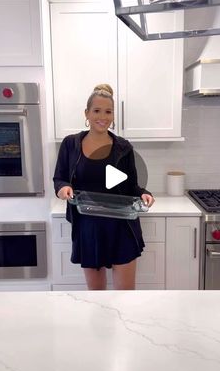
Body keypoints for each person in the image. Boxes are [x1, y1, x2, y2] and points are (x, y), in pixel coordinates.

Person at [53, 84, 155, 290]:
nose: (103, 116)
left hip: (121, 226)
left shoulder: (123, 147)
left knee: (125, 296)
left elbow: (131, 186)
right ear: (87, 113)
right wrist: (63, 188)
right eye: (97, 111)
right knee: (97, 296)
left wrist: (145, 194)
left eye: (108, 111)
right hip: (88, 226)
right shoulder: (70, 144)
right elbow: (60, 178)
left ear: (113, 115)